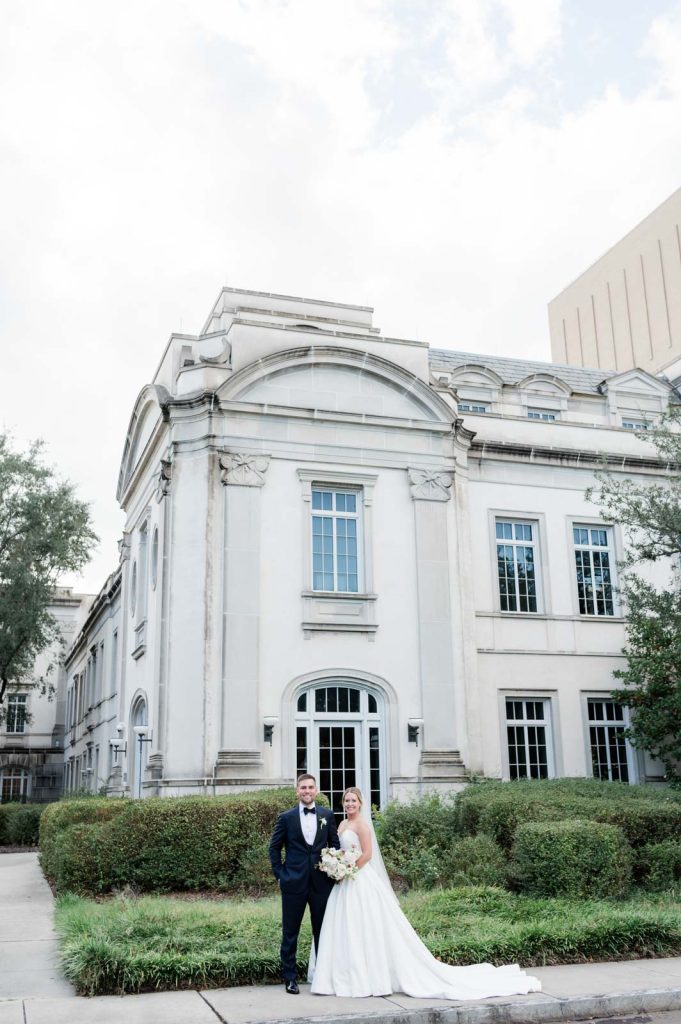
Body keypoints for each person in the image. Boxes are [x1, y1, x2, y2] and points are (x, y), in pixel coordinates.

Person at [310, 787, 541, 1000]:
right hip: (344, 882)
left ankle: (368, 976)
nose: (350, 804)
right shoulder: (340, 825)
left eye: (354, 801)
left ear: (360, 803)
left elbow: (368, 854)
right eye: (347, 801)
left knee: (366, 926)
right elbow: (340, 850)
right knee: (347, 927)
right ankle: (347, 974)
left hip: (359, 880)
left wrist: (348, 870)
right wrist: (336, 866)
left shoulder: (362, 825)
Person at [268, 773, 340, 994]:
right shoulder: (286, 818)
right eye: (303, 788)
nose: (307, 791)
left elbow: (335, 846)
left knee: (322, 931)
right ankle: (290, 978)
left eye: (310, 787)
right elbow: (274, 848)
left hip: (321, 884)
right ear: (297, 791)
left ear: (316, 790)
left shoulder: (327, 815)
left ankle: (322, 976)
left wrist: (335, 870)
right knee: (291, 932)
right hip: (293, 883)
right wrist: (280, 875)